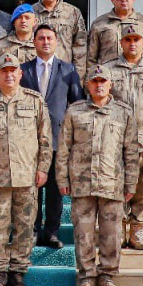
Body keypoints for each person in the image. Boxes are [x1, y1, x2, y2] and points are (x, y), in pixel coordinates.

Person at [0, 55, 52, 286]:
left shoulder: (35, 101)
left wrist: (43, 168)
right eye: (3, 71)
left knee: (25, 226)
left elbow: (45, 139)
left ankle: (18, 271)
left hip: (27, 175)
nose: (8, 75)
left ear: (20, 73)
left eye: (12, 70)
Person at [57, 65, 139, 286]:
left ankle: (107, 276)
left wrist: (131, 183)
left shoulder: (123, 112)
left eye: (103, 81)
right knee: (83, 233)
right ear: (88, 85)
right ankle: (85, 276)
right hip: (82, 183)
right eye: (94, 81)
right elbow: (64, 148)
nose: (99, 85)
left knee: (111, 233)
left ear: (110, 84)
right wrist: (62, 177)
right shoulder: (75, 111)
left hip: (112, 183)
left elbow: (131, 151)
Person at [19, 24, 83, 248]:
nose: (45, 42)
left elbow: (77, 104)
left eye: (49, 38)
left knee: (55, 189)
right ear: (34, 42)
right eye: (41, 38)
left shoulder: (68, 70)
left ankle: (52, 232)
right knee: (32, 187)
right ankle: (34, 230)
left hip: (58, 138)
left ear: (56, 42)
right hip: (29, 139)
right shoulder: (22, 70)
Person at [105, 23, 143, 251]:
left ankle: (138, 231)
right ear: (121, 43)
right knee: (119, 186)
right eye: (128, 40)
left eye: (137, 40)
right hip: (116, 140)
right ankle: (120, 230)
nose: (132, 43)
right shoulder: (108, 69)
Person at [32, 0, 87, 73]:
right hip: (37, 72)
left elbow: (80, 49)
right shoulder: (30, 13)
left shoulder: (72, 12)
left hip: (64, 74)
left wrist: (77, 79)